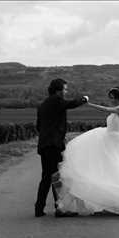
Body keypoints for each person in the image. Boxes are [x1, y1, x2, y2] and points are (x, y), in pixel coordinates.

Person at [55, 87, 119, 215]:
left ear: (118, 98)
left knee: (118, 169)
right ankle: (108, 200)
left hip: (116, 141)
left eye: (112, 97)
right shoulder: (116, 110)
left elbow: (106, 110)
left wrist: (89, 104)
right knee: (106, 169)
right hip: (107, 138)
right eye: (110, 97)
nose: (110, 100)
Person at [35, 78, 88, 217]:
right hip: (53, 145)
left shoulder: (43, 105)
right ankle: (60, 209)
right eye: (65, 89)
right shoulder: (56, 101)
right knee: (57, 177)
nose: (66, 91)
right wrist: (84, 99)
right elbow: (71, 104)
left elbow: (38, 127)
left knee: (47, 177)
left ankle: (39, 208)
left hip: (44, 145)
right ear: (58, 90)